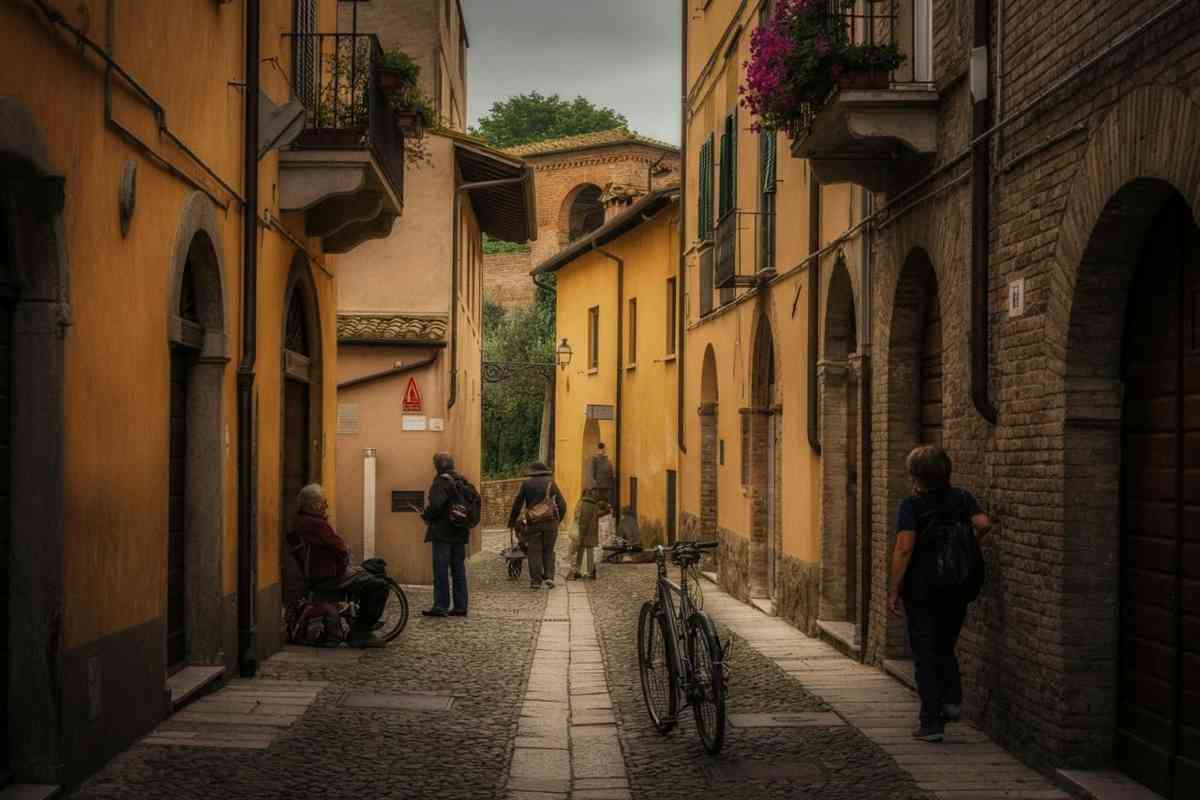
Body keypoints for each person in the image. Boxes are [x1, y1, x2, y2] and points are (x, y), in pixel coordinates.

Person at [888, 445, 993, 742]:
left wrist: (893, 589)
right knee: (946, 644)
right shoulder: (962, 498)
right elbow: (983, 524)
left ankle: (931, 722)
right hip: (957, 586)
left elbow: (904, 547)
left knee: (924, 652)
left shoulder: (912, 505)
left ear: (915, 475)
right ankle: (952, 701)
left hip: (922, 589)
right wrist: (967, 546)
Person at [288, 484, 390, 648]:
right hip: (330, 574)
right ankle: (361, 631)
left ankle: (361, 622)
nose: (326, 506)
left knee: (369, 572)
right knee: (379, 586)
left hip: (322, 571)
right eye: (324, 502)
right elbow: (340, 547)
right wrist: (347, 564)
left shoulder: (302, 521)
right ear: (315, 505)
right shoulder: (317, 524)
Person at [421, 452, 470, 617]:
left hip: (443, 533)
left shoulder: (442, 482)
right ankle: (461, 606)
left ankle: (441, 605)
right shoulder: (463, 481)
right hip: (460, 532)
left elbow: (436, 506)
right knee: (458, 570)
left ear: (438, 465)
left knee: (441, 570)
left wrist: (426, 515)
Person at [508, 462, 567, 589]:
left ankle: (536, 581)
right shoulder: (551, 483)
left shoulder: (526, 484)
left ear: (532, 472)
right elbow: (562, 504)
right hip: (550, 524)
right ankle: (549, 577)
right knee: (549, 550)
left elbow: (518, 503)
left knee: (534, 551)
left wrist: (512, 522)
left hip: (533, 523)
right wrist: (558, 520)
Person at [568, 488, 601, 580]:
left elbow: (581, 521)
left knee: (579, 552)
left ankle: (578, 571)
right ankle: (590, 571)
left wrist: (580, 535)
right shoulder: (595, 505)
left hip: (583, 532)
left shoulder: (582, 504)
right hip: (592, 533)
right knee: (590, 553)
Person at [589, 442, 614, 507]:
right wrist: (595, 484)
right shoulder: (595, 459)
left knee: (607, 505)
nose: (601, 451)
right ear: (598, 450)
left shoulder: (607, 459)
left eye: (602, 449)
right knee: (597, 506)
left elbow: (611, 472)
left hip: (606, 487)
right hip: (598, 488)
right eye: (600, 449)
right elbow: (592, 473)